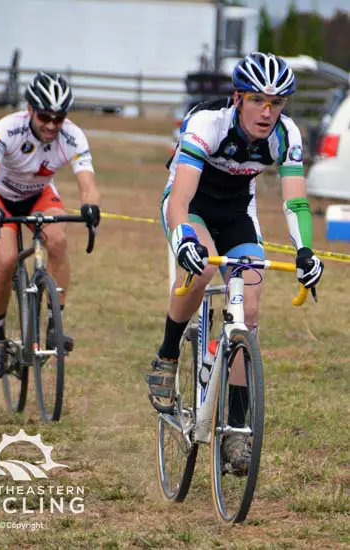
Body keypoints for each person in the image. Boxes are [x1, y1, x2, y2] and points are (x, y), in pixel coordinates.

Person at [145, 52, 324, 473]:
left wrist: (305, 252)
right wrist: (184, 238)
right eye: (259, 100)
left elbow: (295, 200)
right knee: (204, 266)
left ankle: (237, 434)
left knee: (250, 309)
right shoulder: (208, 123)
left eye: (277, 103)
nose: (268, 111)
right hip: (192, 208)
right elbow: (182, 197)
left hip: (239, 214)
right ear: (239, 97)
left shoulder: (286, 135)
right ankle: (168, 354)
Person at [0, 71, 101, 379]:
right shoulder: (7, 129)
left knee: (57, 242)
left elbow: (88, 183)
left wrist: (91, 206)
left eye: (59, 118)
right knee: (5, 261)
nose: (52, 125)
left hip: (39, 194)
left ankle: (55, 325)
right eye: (45, 116)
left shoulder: (72, 136)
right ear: (30, 110)